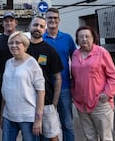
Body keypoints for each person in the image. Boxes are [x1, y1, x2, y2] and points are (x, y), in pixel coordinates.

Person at [71, 25, 115, 141]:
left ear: (93, 38)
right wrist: (74, 94)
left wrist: (107, 94)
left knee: (105, 137)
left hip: (100, 103)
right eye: (81, 37)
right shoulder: (75, 54)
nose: (84, 39)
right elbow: (73, 76)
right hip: (81, 104)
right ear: (77, 39)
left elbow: (113, 76)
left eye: (87, 36)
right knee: (89, 136)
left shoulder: (101, 52)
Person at [1, 31, 45, 141]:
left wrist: (38, 119)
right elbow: (5, 89)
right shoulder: (8, 63)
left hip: (27, 116)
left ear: (25, 46)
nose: (13, 45)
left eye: (17, 43)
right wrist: (2, 112)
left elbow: (41, 91)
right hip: (9, 115)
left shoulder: (32, 63)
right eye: (11, 43)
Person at [43, 8, 77, 141]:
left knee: (67, 124)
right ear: (46, 20)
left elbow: (75, 61)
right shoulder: (41, 39)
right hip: (45, 89)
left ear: (59, 20)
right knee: (46, 125)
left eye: (55, 18)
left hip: (64, 87)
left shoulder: (67, 38)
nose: (52, 20)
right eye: (50, 17)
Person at [27, 16, 63, 141]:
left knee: (53, 136)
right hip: (27, 102)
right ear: (30, 26)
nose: (38, 28)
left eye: (42, 26)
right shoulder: (22, 48)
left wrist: (54, 102)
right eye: (35, 25)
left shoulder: (50, 51)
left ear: (45, 29)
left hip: (47, 102)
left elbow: (58, 78)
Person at [0, 11, 18, 119]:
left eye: (11, 20)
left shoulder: (21, 39)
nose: (9, 23)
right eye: (6, 21)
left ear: (15, 23)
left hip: (19, 80)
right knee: (3, 115)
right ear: (2, 23)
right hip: (3, 80)